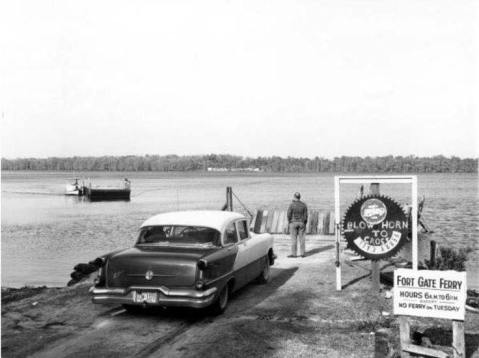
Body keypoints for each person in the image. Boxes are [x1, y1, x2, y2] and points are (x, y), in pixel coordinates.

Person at [287, 192, 308, 258]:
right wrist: (304, 223)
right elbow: (306, 215)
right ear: (300, 197)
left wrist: (289, 221)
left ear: (294, 197)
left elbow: (288, 214)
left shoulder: (292, 205)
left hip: (293, 223)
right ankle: (302, 254)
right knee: (302, 239)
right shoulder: (304, 205)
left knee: (294, 239)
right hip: (301, 223)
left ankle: (294, 254)